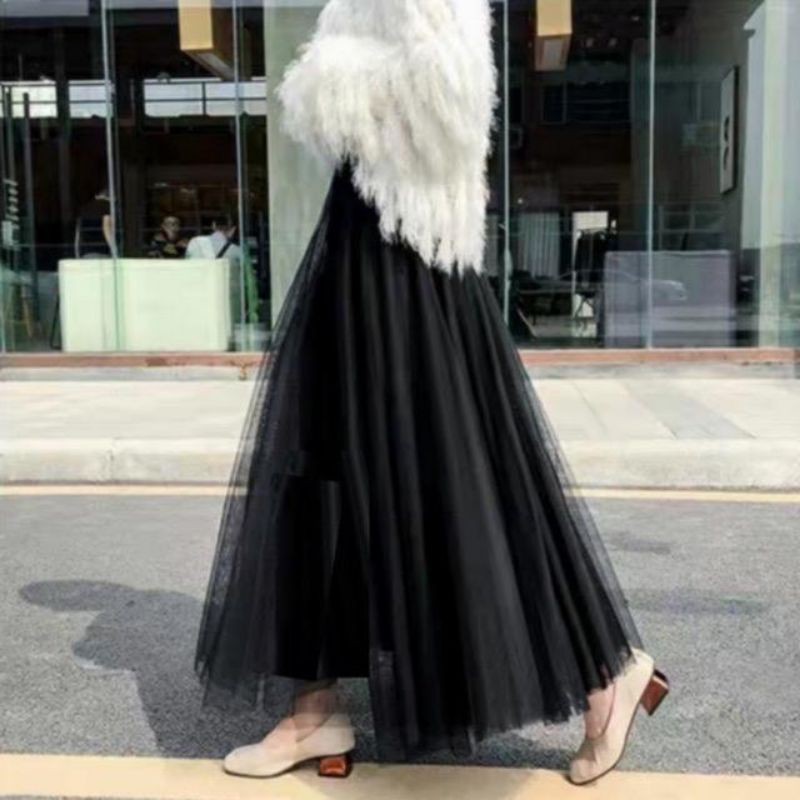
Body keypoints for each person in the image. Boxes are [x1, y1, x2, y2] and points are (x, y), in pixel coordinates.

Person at [193, 0, 669, 787]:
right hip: (368, 233)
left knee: (454, 467)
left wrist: (331, 80)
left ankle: (603, 674)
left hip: (403, 247)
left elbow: (449, 99)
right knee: (320, 459)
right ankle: (314, 708)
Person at [75, 188, 114, 258]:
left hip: (86, 252)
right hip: (101, 251)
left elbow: (78, 232)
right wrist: (113, 249)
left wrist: (77, 251)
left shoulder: (84, 209)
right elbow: (106, 228)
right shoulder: (106, 206)